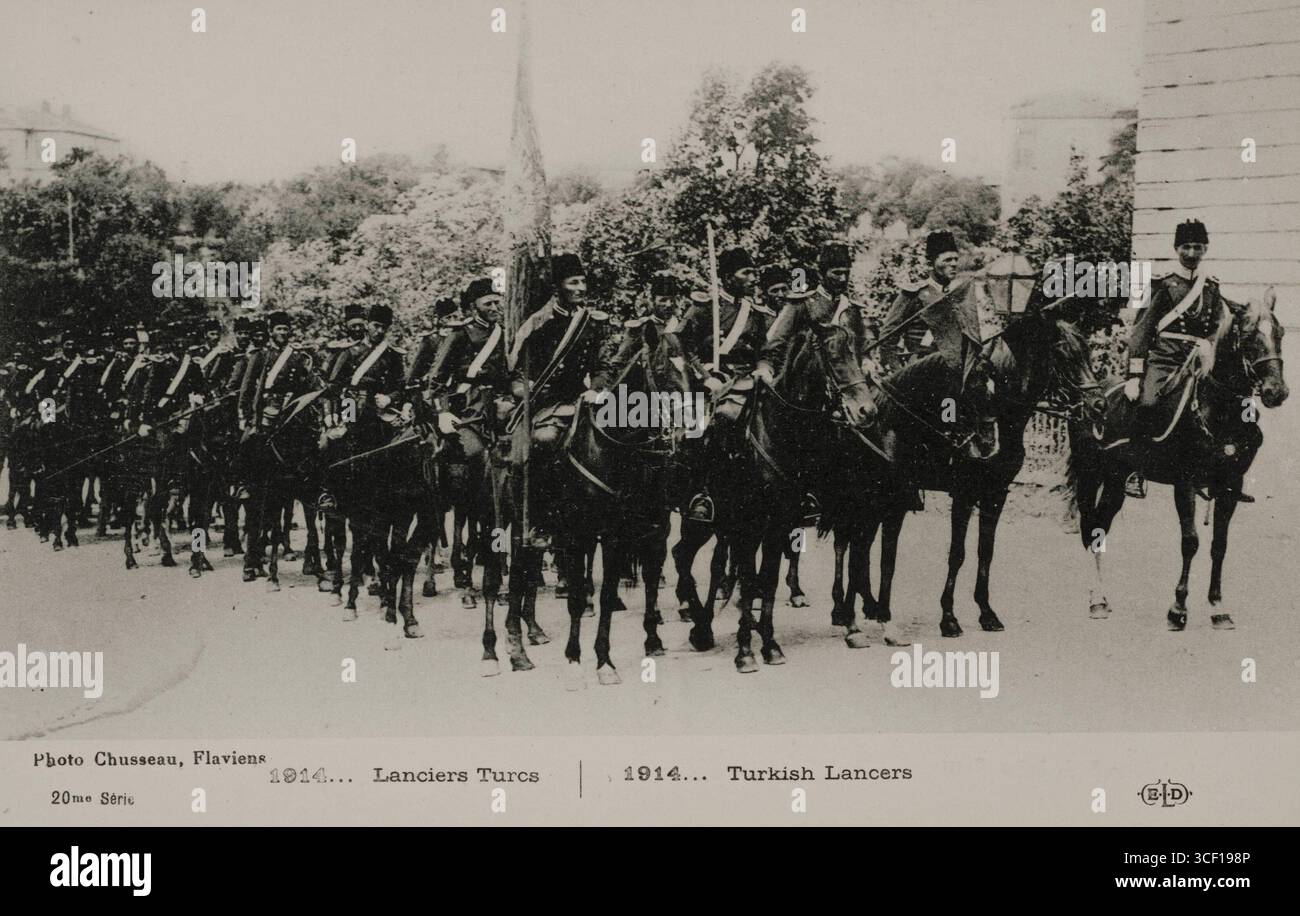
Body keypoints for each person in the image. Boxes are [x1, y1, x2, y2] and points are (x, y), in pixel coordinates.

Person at [1121, 218, 1244, 500]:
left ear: (1205, 249)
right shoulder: (1161, 284)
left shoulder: (1211, 286)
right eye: (1186, 246)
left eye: (1197, 247)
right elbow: (1141, 331)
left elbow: (1215, 325)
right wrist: (1134, 376)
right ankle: (1135, 469)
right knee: (1148, 403)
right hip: (1164, 360)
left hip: (1198, 362)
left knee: (1221, 408)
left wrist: (1208, 346)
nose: (1191, 253)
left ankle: (1211, 471)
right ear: (1176, 248)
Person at [507, 252, 614, 543]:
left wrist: (598, 389)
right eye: (573, 282)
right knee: (543, 442)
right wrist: (525, 391)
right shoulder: (537, 323)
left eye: (583, 282)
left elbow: (604, 365)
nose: (581, 288)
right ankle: (541, 522)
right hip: (546, 403)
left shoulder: (593, 323)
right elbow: (518, 373)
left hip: (582, 400)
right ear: (558, 287)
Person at [675, 246, 777, 522]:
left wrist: (764, 368)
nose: (754, 278)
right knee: (710, 425)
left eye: (754, 272)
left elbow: (765, 350)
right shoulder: (704, 307)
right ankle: (703, 492)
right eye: (747, 273)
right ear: (729, 277)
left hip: (749, 382)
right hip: (711, 384)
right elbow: (684, 346)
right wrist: (705, 375)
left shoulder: (754, 312)